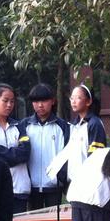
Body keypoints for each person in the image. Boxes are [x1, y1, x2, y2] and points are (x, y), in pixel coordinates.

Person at [63, 84, 110, 221]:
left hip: (91, 184)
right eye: (72, 98)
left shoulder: (94, 124)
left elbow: (95, 156)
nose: (73, 101)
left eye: (78, 97)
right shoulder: (74, 126)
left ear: (88, 101)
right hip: (77, 186)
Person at [19, 83, 70, 211]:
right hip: (31, 186)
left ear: (52, 101)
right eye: (36, 101)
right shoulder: (24, 125)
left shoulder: (63, 127)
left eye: (44, 101)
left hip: (54, 186)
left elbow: (67, 156)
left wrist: (62, 180)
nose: (40, 105)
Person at [0, 83, 31, 214]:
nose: (9, 105)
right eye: (5, 101)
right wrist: (13, 153)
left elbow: (25, 153)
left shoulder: (19, 126)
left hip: (19, 188)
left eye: (12, 101)